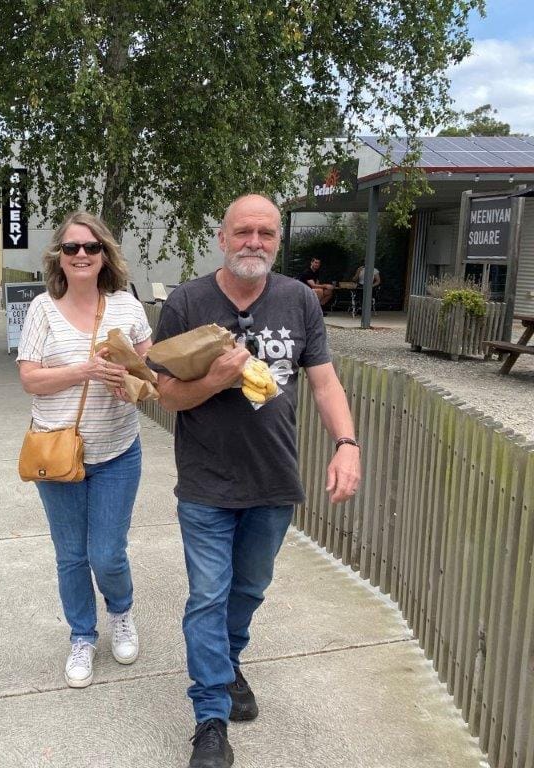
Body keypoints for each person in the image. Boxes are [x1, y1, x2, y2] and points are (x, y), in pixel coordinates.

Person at [152, 194, 361, 768]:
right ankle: (210, 720)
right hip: (205, 483)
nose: (255, 242)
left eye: (266, 233)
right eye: (243, 231)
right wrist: (217, 381)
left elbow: (324, 383)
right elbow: (166, 395)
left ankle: (228, 659)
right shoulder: (188, 302)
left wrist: (347, 444)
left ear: (277, 241)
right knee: (207, 597)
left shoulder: (298, 300)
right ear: (222, 238)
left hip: (273, 480)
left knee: (247, 593)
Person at [16, 211, 153, 689]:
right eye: (71, 248)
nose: (80, 255)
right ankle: (81, 635)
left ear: (104, 256)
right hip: (57, 454)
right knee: (71, 555)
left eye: (90, 248)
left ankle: (121, 611)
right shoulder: (41, 309)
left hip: (118, 451)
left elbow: (148, 370)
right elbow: (30, 376)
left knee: (108, 553)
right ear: (59, 256)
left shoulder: (127, 309)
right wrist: (85, 371)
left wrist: (131, 384)